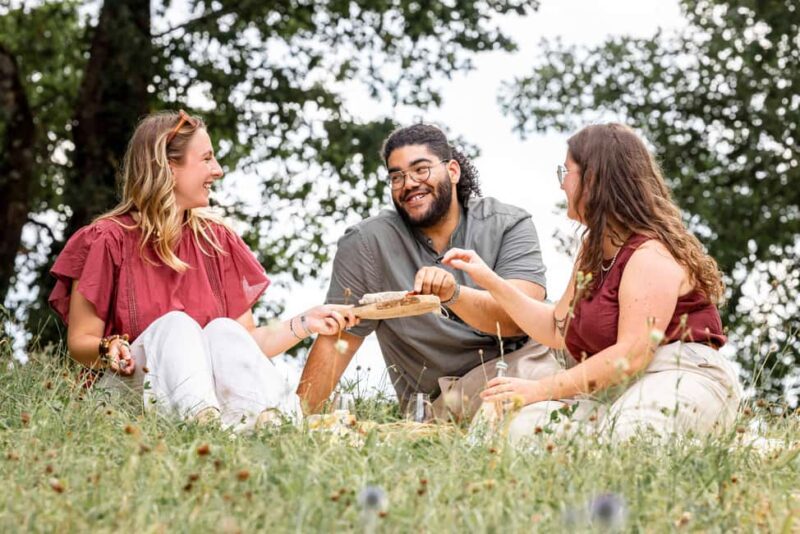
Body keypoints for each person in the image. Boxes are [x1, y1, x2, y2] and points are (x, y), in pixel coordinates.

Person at [49, 110, 357, 430]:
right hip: (125, 404)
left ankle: (273, 428)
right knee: (176, 327)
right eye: (207, 159)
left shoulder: (216, 240)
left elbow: (245, 343)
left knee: (224, 331)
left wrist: (307, 322)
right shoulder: (105, 239)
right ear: (168, 167)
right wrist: (108, 347)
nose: (218, 170)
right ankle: (205, 428)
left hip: (208, 404)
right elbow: (80, 343)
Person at [443, 123, 742, 442]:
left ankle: (749, 449)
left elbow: (631, 355)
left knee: (630, 437)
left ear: (594, 179)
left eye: (566, 172)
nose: (561, 185)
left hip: (681, 376)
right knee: (516, 427)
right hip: (620, 389)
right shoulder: (592, 249)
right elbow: (557, 329)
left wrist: (538, 389)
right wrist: (487, 278)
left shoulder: (650, 253)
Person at [297, 123, 563, 418]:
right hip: (442, 404)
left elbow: (520, 320)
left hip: (527, 372)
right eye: (396, 176)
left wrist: (453, 295)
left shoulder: (508, 224)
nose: (408, 183)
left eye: (421, 169)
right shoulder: (366, 243)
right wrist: (297, 422)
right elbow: (338, 339)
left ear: (452, 171)